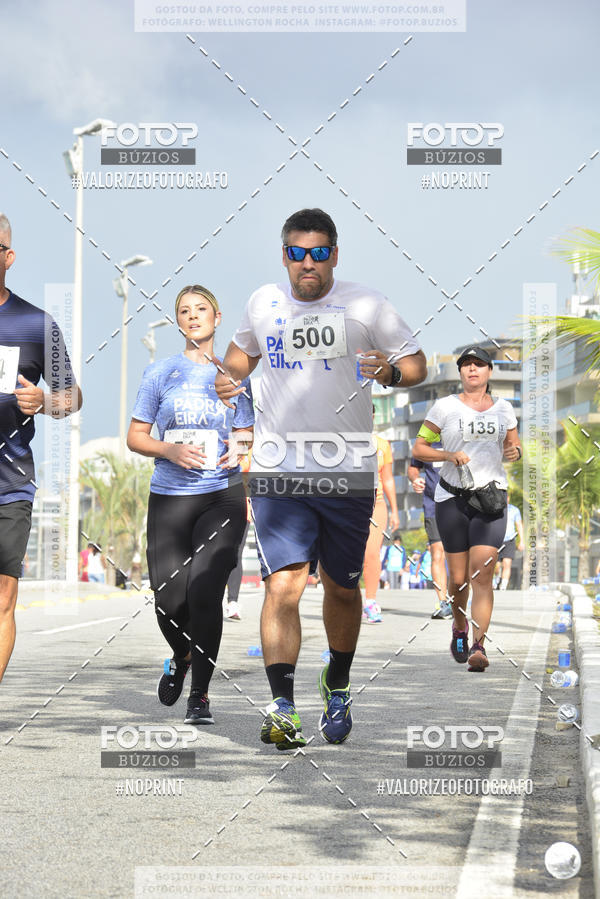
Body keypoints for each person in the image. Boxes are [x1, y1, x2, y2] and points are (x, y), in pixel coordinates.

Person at [215, 207, 426, 748]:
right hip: (278, 467)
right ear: (284, 255)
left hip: (347, 467)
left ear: (334, 255)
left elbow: (416, 364)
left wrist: (390, 371)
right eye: (297, 253)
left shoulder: (366, 305)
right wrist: (229, 378)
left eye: (318, 253)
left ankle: (338, 681)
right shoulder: (263, 302)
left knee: (341, 587)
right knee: (283, 584)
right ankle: (282, 706)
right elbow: (239, 357)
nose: (307, 263)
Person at [127, 284, 254, 724]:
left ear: (217, 318)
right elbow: (136, 436)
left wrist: (240, 447)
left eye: (202, 309)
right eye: (185, 311)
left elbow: (246, 431)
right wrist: (169, 449)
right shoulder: (160, 373)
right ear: (178, 321)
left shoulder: (235, 375)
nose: (193, 316)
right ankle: (182, 656)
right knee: (167, 601)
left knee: (204, 591)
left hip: (221, 495)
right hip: (170, 496)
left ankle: (199, 695)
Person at [0, 213, 82, 683]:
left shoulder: (37, 324)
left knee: (3, 599)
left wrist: (45, 401)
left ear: (9, 257)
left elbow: (72, 397)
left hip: (9, 484)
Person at [411, 345, 521, 672]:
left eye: (479, 364)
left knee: (482, 575)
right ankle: (459, 626)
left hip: (490, 499)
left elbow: (513, 446)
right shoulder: (444, 407)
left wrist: (514, 452)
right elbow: (419, 448)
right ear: (460, 372)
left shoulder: (504, 409)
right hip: (451, 499)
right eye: (467, 364)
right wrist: (448, 455)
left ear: (489, 371)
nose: (473, 369)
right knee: (458, 580)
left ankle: (478, 646)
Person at [362, 421, 399, 623]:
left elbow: (388, 479)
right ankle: (345, 600)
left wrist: (395, 510)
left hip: (376, 504)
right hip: (347, 504)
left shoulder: (382, 444)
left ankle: (370, 601)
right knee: (348, 554)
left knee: (371, 553)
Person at [407, 451, 452, 618]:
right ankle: (443, 603)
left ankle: (461, 598)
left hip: (461, 505)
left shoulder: (461, 437)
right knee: (437, 553)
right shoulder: (425, 442)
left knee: (461, 555)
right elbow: (413, 467)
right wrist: (415, 478)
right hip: (433, 506)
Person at [224, 450, 252, 620]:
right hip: (214, 505)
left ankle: (232, 602)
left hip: (241, 508)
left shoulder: (249, 448)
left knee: (235, 554)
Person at [496, 497, 523, 589]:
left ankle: (503, 586)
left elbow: (519, 525)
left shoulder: (514, 510)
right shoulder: (495, 508)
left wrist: (522, 541)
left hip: (509, 540)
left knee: (507, 563)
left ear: (508, 498)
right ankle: (496, 579)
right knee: (496, 565)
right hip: (497, 540)